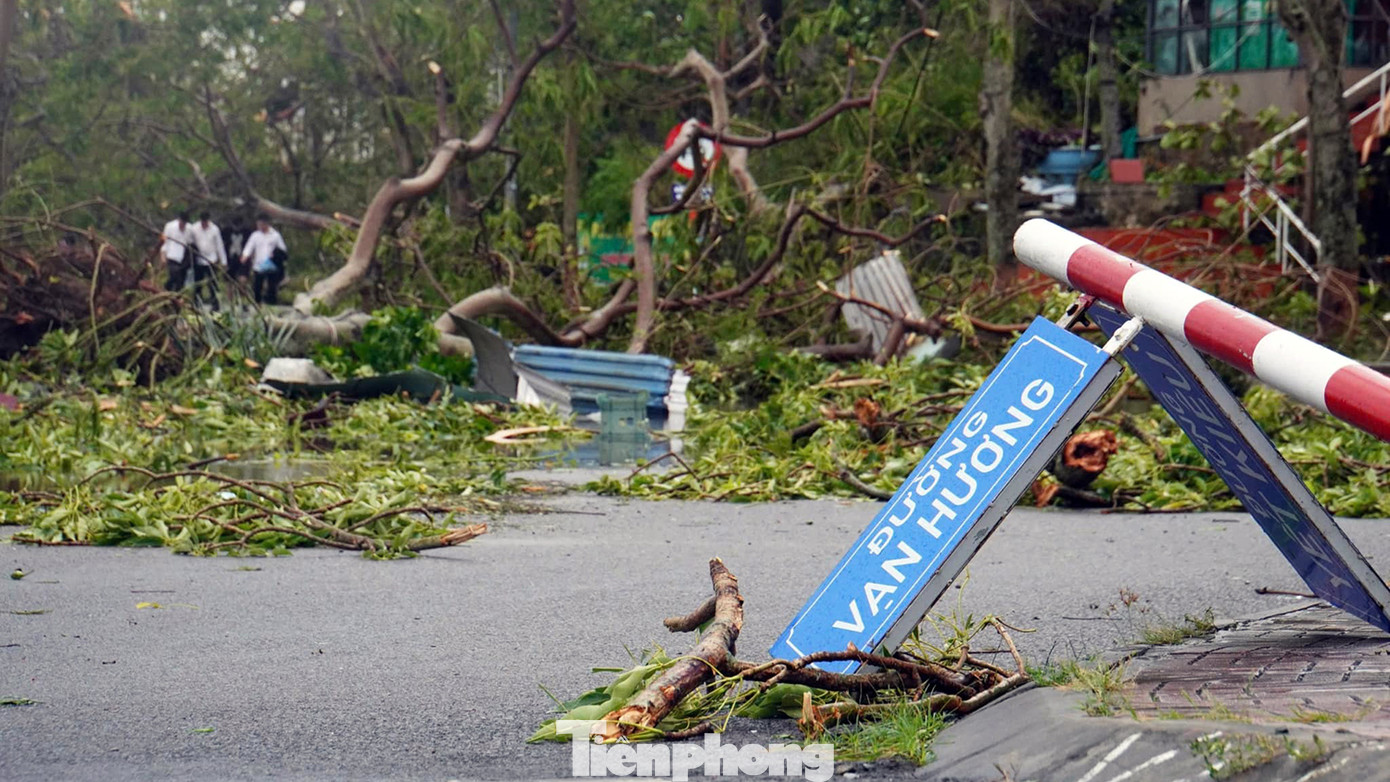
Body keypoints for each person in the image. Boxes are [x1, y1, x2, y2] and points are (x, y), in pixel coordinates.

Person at [240, 213, 288, 305]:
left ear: (266, 224)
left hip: (272, 265)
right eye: (258, 224)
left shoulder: (275, 235)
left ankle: (272, 304)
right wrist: (245, 256)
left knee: (271, 286)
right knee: (257, 286)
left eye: (262, 224)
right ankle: (258, 304)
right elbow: (249, 247)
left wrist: (276, 255)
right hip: (259, 265)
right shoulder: (255, 235)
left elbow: (283, 249)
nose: (260, 226)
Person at [188, 211, 228, 311]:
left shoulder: (214, 229)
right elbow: (190, 242)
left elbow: (219, 245)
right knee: (198, 282)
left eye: (205, 222)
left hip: (211, 259)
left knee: (212, 283)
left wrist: (223, 261)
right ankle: (196, 302)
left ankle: (215, 304)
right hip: (199, 259)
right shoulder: (194, 228)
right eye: (202, 222)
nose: (204, 224)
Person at [159, 211, 192, 292]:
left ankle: (175, 298)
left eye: (184, 223)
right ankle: (165, 289)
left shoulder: (189, 229)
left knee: (181, 283)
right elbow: (164, 243)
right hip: (172, 256)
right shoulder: (170, 226)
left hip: (183, 259)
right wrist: (163, 256)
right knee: (175, 276)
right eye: (181, 223)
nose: (182, 225)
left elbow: (190, 242)